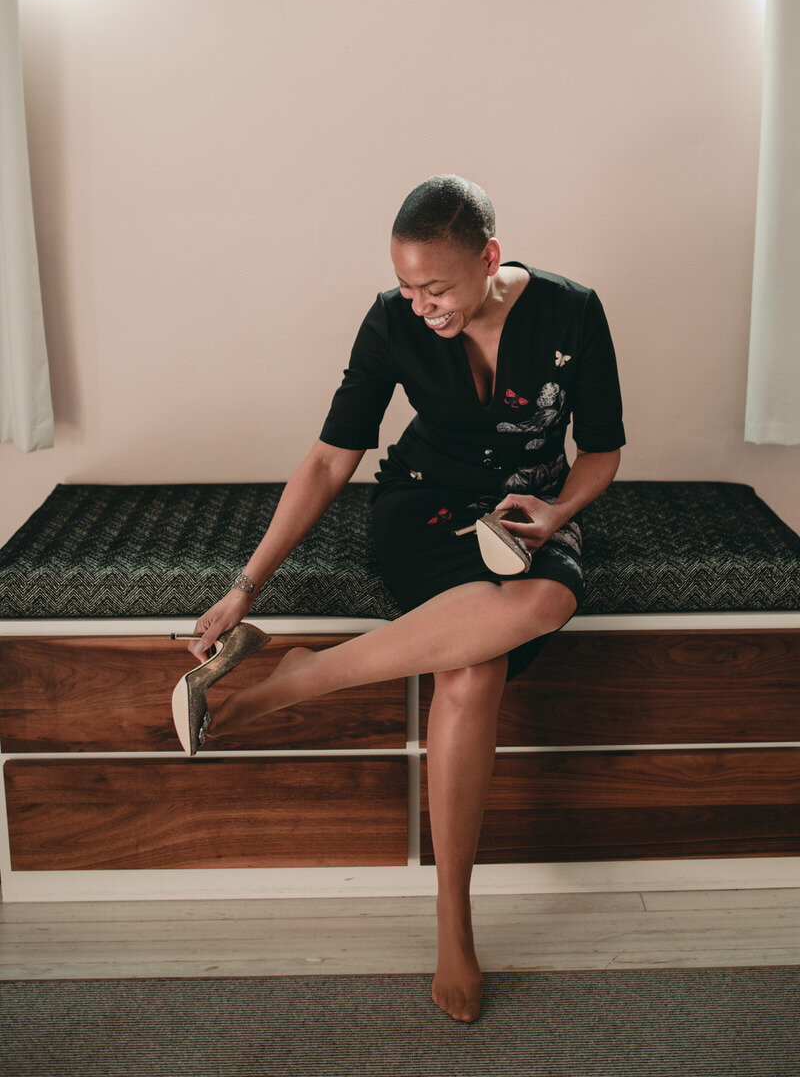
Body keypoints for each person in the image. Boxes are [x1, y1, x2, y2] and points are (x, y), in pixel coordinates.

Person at [186, 174, 626, 1023]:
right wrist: (246, 586)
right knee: (472, 672)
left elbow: (600, 452)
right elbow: (328, 460)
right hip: (421, 508)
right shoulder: (390, 319)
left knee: (539, 604)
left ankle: (303, 678)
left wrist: (559, 510)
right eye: (407, 286)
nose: (421, 305)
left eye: (438, 287)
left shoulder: (573, 311)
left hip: (526, 516)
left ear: (489, 259)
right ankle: (453, 922)